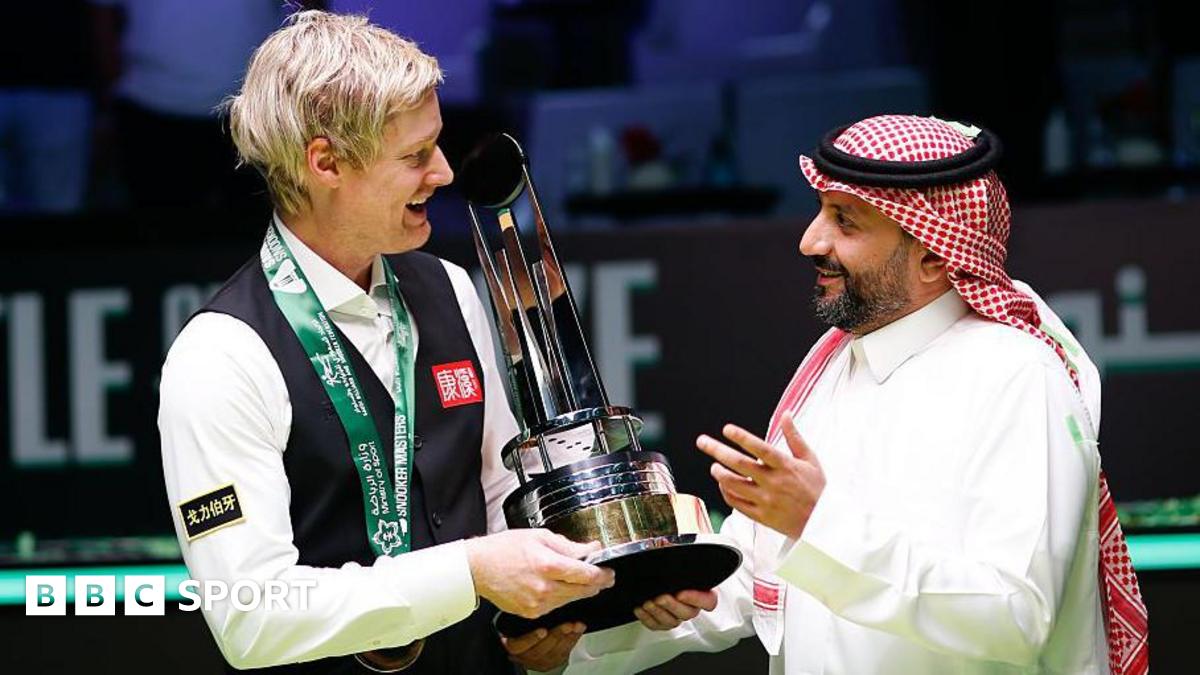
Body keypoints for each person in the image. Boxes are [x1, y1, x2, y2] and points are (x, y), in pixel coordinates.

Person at [521, 115, 1149, 673]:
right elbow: (759, 577)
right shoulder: (837, 366)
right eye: (820, 212)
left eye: (844, 222)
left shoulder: (1016, 376)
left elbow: (1015, 615)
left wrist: (815, 522)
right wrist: (584, 639)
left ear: (934, 255)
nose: (811, 241)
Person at [157, 11, 613, 673]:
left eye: (438, 144)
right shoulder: (221, 355)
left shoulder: (451, 288)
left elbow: (496, 494)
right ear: (326, 163)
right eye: (415, 155)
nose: (446, 173)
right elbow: (248, 617)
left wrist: (539, 617)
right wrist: (471, 571)